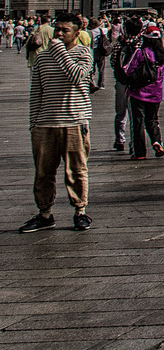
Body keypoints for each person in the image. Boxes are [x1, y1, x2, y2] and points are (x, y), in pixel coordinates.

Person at [21, 14, 94, 233]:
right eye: (57, 30)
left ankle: (80, 211)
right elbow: (37, 92)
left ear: (77, 33)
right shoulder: (42, 58)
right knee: (43, 172)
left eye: (65, 30)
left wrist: (60, 51)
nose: (60, 34)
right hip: (45, 122)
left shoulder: (84, 53)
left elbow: (78, 76)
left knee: (76, 170)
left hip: (74, 120)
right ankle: (45, 213)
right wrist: (34, 122)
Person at [118, 22, 164, 161]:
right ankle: (157, 141)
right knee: (152, 120)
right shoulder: (163, 55)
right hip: (156, 93)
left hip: (138, 92)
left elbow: (128, 70)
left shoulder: (140, 52)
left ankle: (140, 153)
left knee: (138, 122)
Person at [108, 17, 142, 153]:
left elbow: (113, 62)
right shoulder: (140, 45)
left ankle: (120, 140)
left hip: (121, 82)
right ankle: (134, 144)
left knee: (120, 113)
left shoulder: (119, 44)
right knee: (135, 114)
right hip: (136, 84)